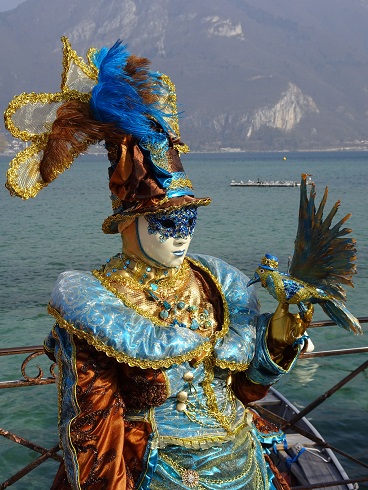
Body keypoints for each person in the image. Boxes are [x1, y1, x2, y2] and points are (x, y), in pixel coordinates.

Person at [5, 38, 312, 490]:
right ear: (128, 223)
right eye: (167, 222)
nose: (183, 233)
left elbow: (245, 390)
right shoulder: (98, 305)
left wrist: (277, 341)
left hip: (248, 466)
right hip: (158, 474)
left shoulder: (213, 283)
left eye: (189, 218)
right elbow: (92, 436)